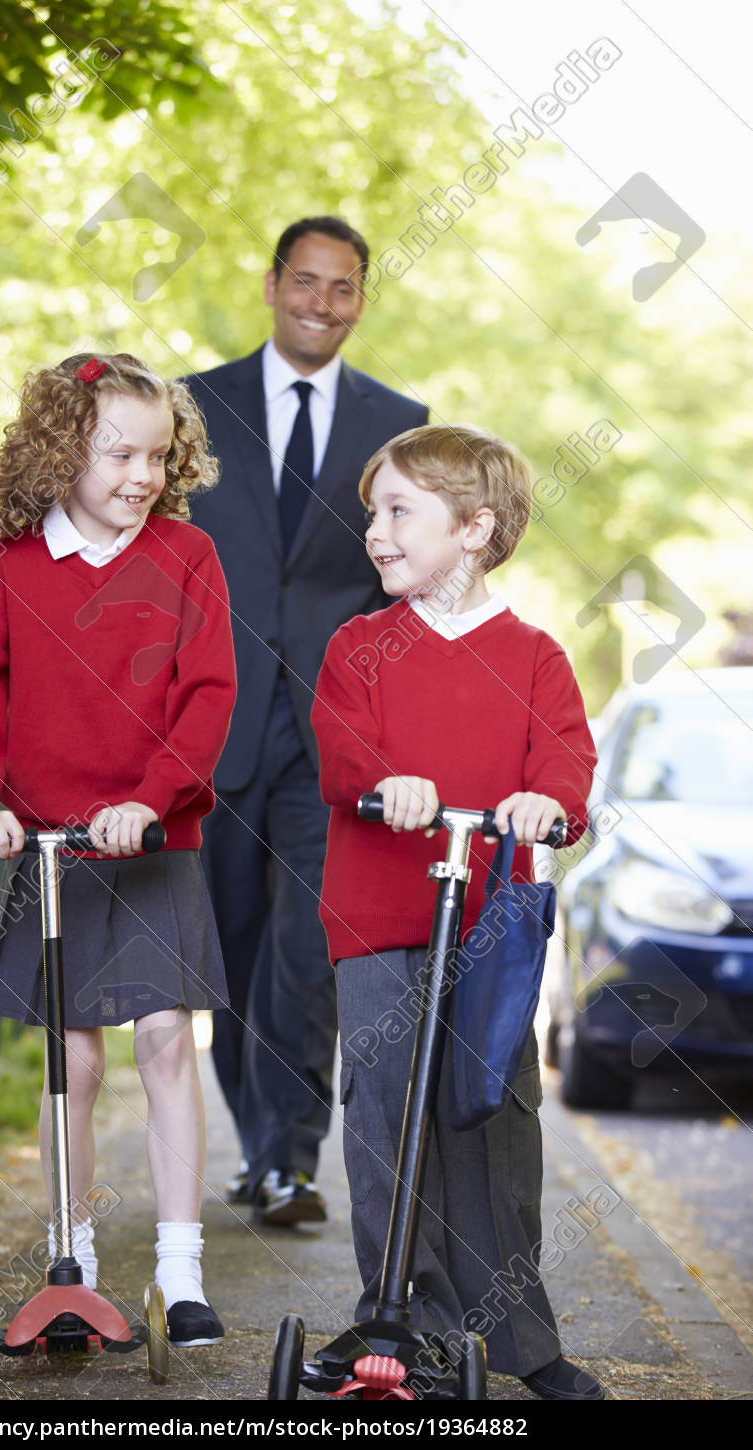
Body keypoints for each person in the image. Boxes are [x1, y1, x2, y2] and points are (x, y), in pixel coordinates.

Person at [0, 353, 237, 1348]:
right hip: (55, 852)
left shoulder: (188, 557)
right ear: (63, 451)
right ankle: (75, 1263)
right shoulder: (12, 568)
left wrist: (151, 799)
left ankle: (182, 1272)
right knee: (72, 1061)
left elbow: (205, 695)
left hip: (150, 843)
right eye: (119, 454)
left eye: (158, 455)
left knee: (161, 1044)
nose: (142, 476)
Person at [311, 424, 603, 1399]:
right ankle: (402, 1325)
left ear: (474, 528)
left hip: (491, 929)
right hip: (378, 918)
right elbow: (344, 747)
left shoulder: (533, 657)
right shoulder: (360, 647)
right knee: (385, 1112)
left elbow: (566, 761)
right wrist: (385, 781)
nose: (375, 531)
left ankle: (517, 1338)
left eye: (399, 511)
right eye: (371, 512)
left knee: (493, 1117)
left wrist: (544, 801)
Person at [186, 216, 429, 1224]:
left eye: (343, 288)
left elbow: (400, 574)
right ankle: (256, 1141)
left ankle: (293, 1157)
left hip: (332, 725)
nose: (322, 304)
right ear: (273, 282)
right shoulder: (196, 403)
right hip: (216, 715)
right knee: (232, 943)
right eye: (306, 282)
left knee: (306, 943)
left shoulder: (399, 417)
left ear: (361, 299)